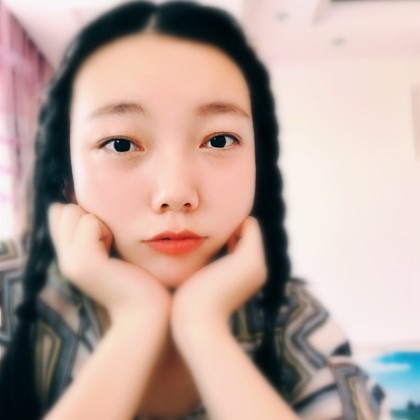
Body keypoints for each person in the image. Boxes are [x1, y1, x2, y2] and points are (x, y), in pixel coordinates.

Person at [0, 1, 388, 419]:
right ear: (65, 171)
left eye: (219, 140)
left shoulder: (292, 318)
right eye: (121, 144)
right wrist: (136, 320)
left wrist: (203, 327)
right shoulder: (10, 292)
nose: (176, 193)